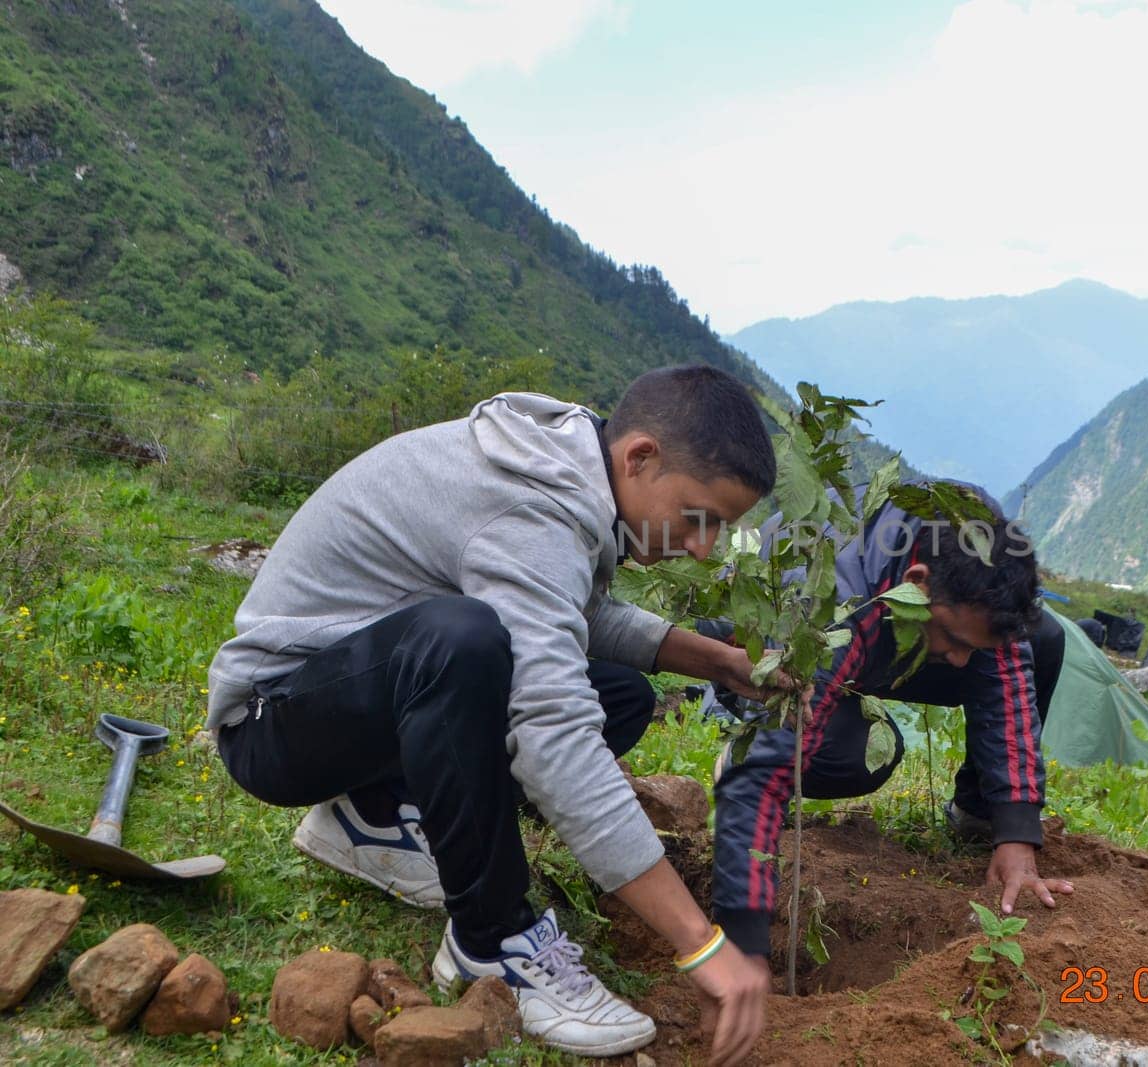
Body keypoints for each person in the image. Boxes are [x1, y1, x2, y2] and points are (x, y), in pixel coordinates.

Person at [205, 366, 779, 1064]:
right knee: (462, 643)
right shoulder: (536, 502)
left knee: (618, 693)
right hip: (273, 719)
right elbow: (552, 730)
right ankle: (492, 939)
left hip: (351, 698)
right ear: (640, 457)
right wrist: (700, 940)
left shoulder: (567, 463)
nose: (704, 546)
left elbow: (558, 607)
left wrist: (712, 659)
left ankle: (375, 814)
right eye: (700, 517)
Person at [703, 488, 1075, 960]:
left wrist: (1017, 835)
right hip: (774, 661)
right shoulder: (832, 599)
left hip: (894, 640)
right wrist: (743, 940)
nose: (962, 662)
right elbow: (763, 773)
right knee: (852, 756)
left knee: (1041, 639)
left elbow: (1004, 675)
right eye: (955, 639)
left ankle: (977, 814)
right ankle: (738, 751)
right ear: (917, 582)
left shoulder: (981, 548)